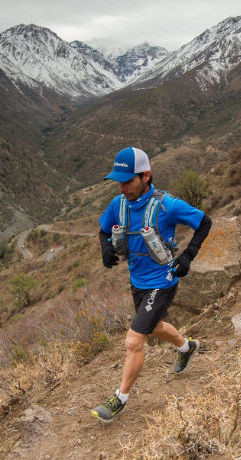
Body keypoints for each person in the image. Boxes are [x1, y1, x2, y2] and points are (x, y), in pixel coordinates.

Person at [92, 146, 212, 423]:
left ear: (146, 176)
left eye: (128, 181)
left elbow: (204, 222)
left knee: (134, 340)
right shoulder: (118, 205)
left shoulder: (168, 205)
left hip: (163, 279)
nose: (122, 188)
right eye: (119, 182)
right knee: (155, 327)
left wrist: (188, 255)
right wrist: (105, 248)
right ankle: (186, 347)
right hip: (138, 281)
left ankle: (119, 399)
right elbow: (103, 229)